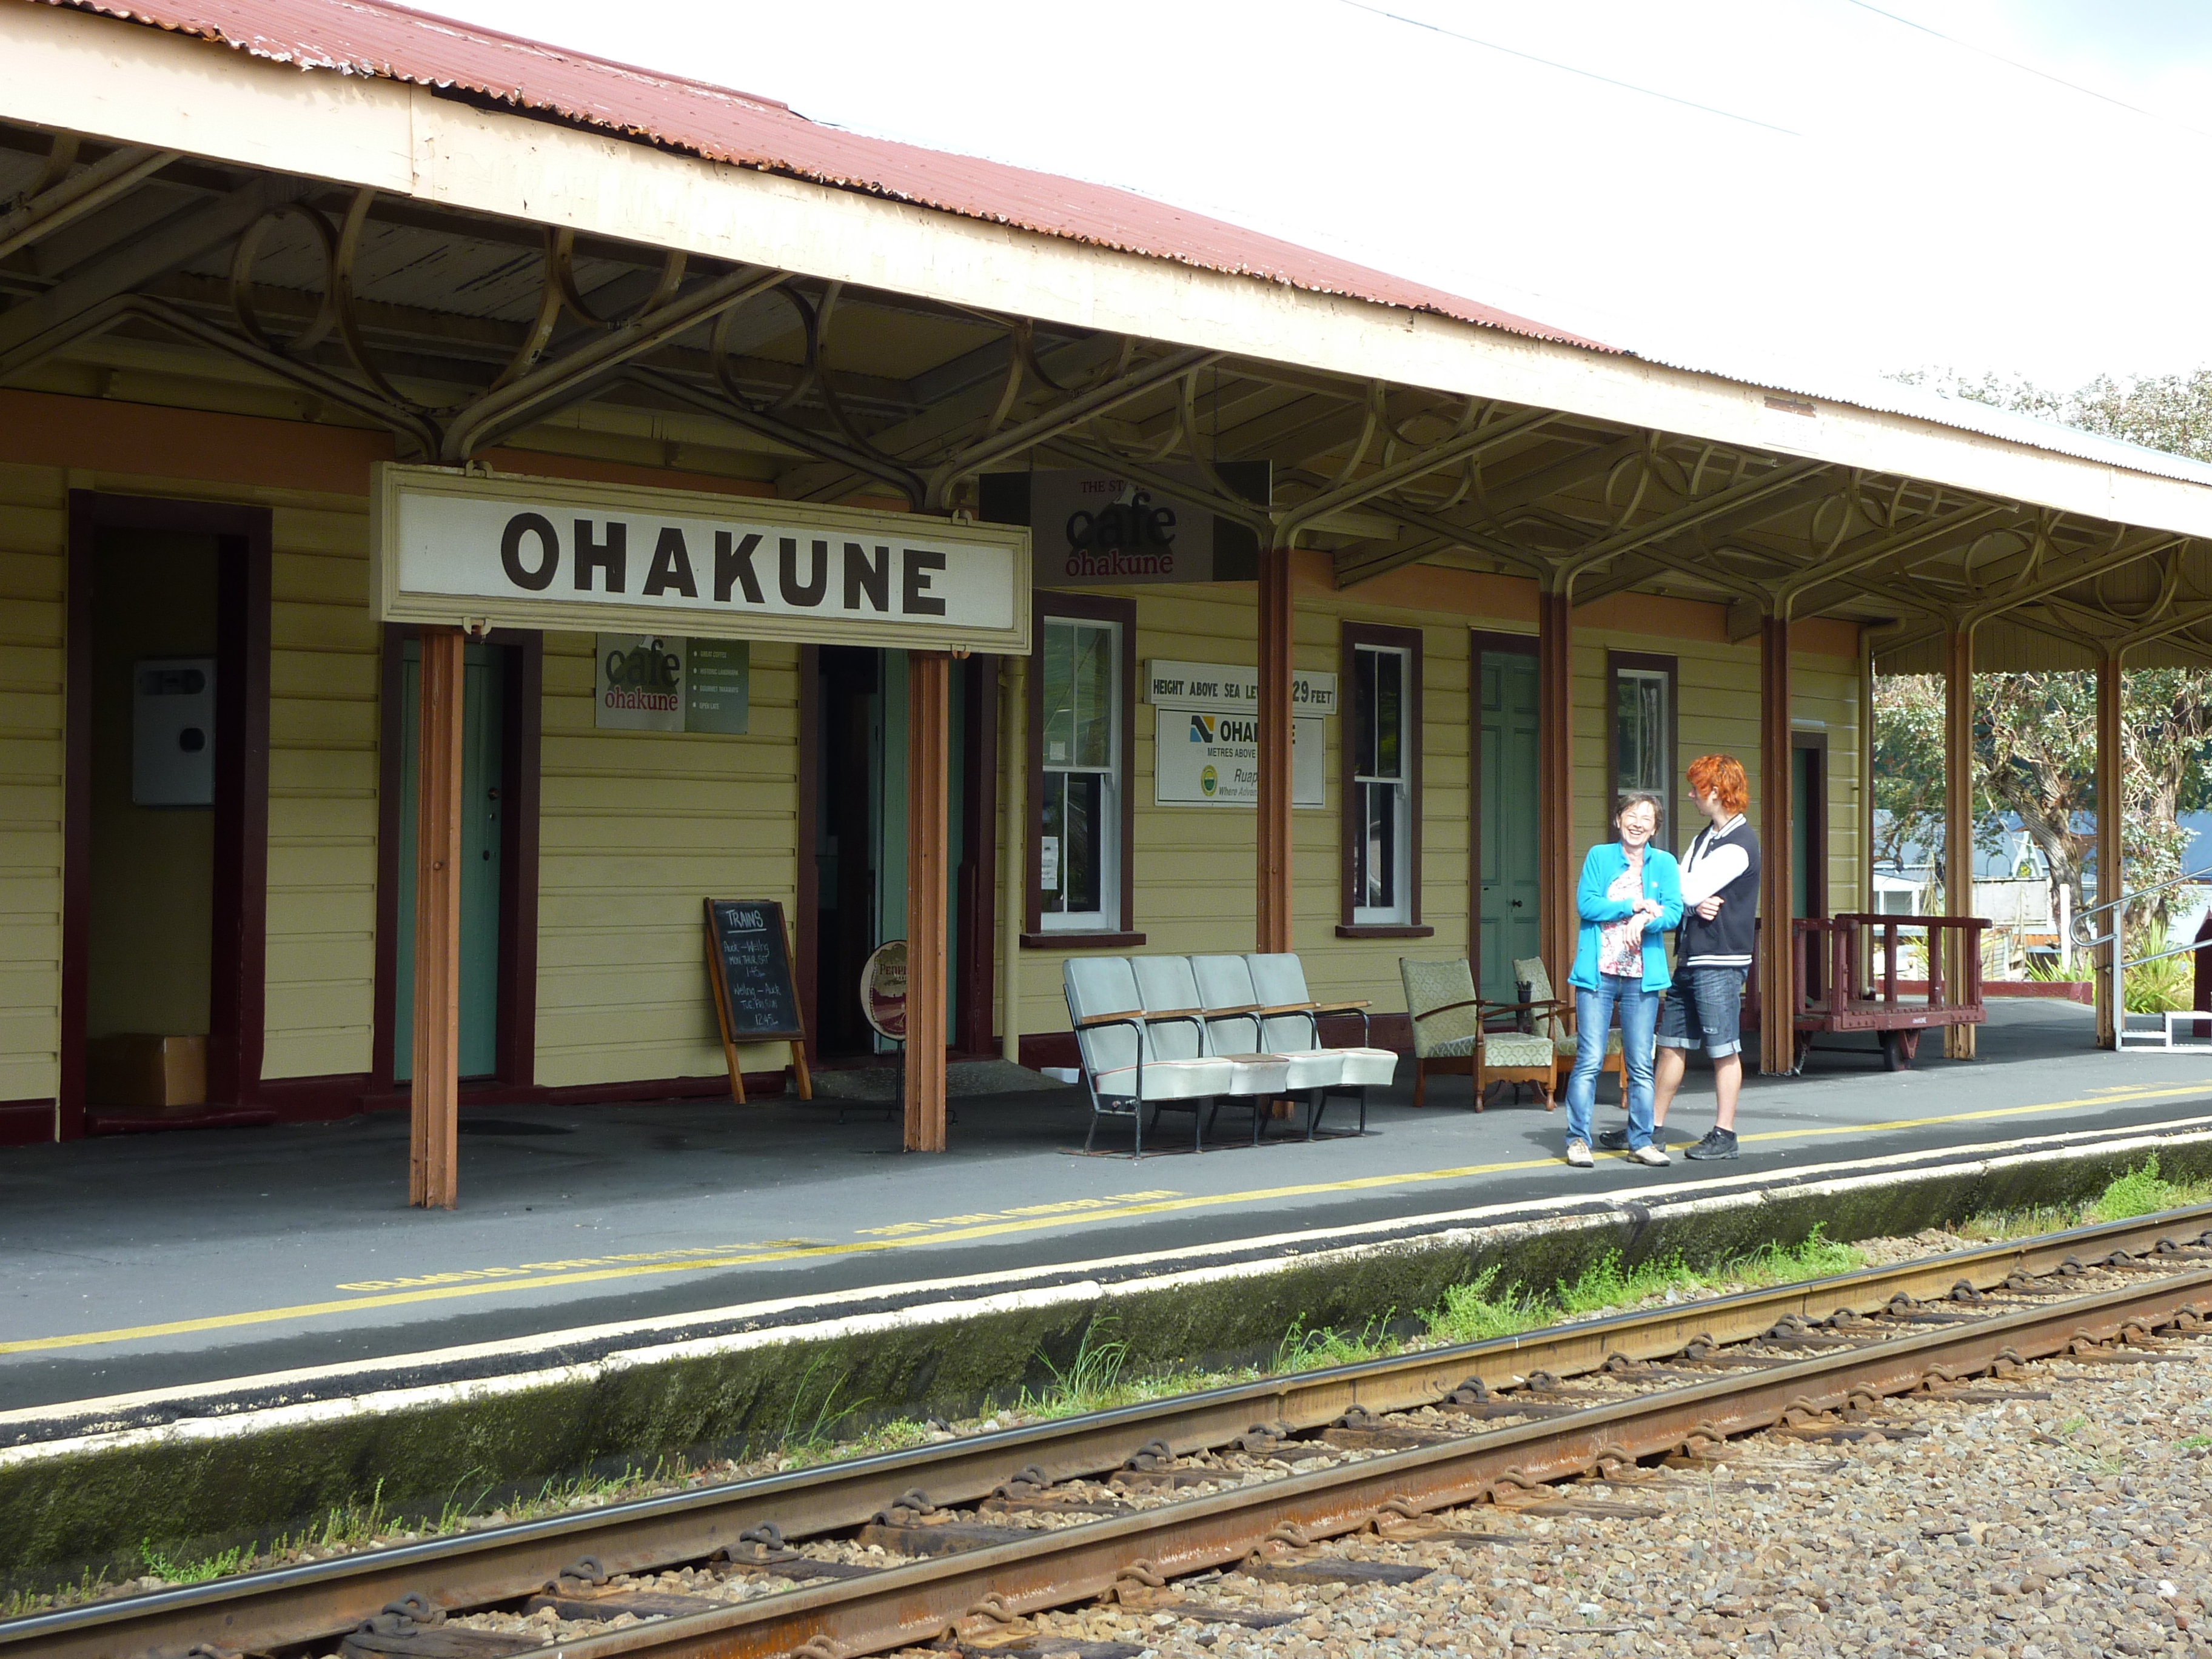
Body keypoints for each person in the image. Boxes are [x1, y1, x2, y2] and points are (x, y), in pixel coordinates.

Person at [1601, 754, 1761, 1161]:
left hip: (1721, 960)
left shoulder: (1740, 845)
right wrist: (1691, 902)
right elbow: (1679, 888)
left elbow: (1681, 887)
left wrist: (1688, 896)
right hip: (1692, 956)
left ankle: (1725, 1133)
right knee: (1671, 1044)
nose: (1691, 794)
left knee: (1723, 1046)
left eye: (1696, 788)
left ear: (1716, 791)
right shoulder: (1707, 837)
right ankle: (1648, 1129)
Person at [1561, 791, 1681, 1168]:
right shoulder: (1600, 856)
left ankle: (1641, 1141)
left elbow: (1673, 912)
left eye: (1647, 818)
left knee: (1641, 1062)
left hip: (1641, 976)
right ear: (1618, 820)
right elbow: (1587, 904)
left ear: (1655, 828)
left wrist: (1645, 919)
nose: (1637, 823)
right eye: (1631, 815)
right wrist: (1632, 905)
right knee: (1590, 1059)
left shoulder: (1664, 863)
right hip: (1598, 973)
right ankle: (1578, 1140)